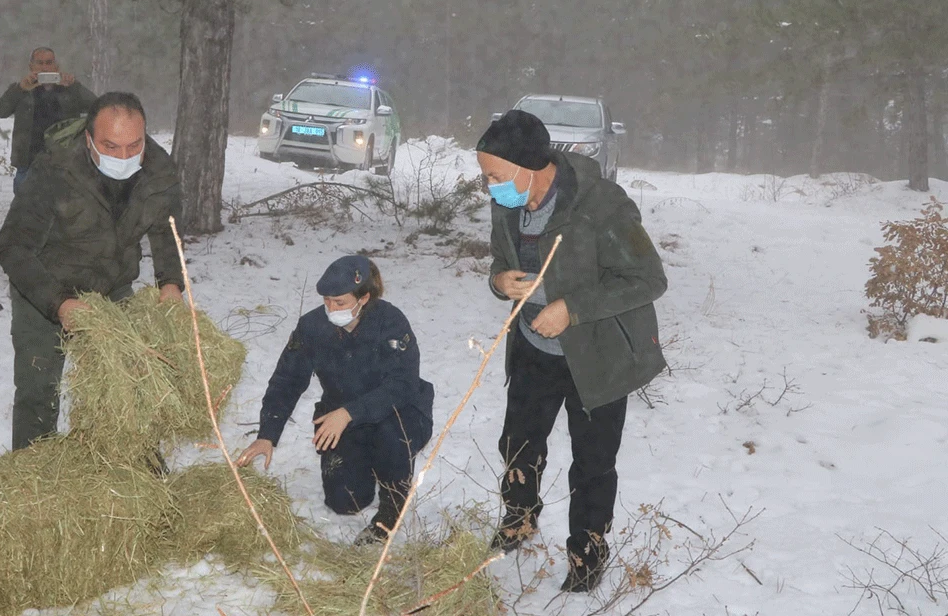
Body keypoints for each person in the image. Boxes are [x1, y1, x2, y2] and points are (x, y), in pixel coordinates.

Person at [476, 110, 668, 592]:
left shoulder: (601, 206)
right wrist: (500, 280)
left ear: (528, 165)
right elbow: (503, 258)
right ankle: (519, 518)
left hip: (596, 358)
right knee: (518, 443)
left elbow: (649, 280)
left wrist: (572, 309)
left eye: (495, 174)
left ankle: (587, 548)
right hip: (534, 350)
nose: (489, 185)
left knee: (594, 461)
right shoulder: (510, 202)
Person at [0, 91, 184, 451]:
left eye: (134, 145)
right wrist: (60, 305)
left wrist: (170, 283)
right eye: (111, 147)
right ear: (88, 138)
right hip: (45, 288)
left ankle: (130, 467)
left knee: (135, 381)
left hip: (111, 286)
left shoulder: (160, 171)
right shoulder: (55, 169)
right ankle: (33, 473)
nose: (124, 157)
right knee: (40, 390)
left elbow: (167, 231)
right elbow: (13, 248)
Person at [237, 256, 435, 546]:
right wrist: (267, 434)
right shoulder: (312, 327)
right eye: (327, 300)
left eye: (340, 302)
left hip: (397, 413)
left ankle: (391, 508)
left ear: (364, 298)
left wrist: (350, 412)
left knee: (393, 438)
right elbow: (286, 381)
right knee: (344, 501)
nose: (331, 309)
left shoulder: (391, 322)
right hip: (340, 416)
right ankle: (365, 464)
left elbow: (402, 385)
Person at [0, 46, 97, 194]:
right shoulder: (22, 90)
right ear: (31, 66)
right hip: (28, 161)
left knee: (64, 211)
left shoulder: (69, 90)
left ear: (56, 66)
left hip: (64, 162)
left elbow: (97, 106)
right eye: (39, 63)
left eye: (49, 63)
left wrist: (74, 87)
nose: (45, 67)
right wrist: (20, 89)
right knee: (25, 210)